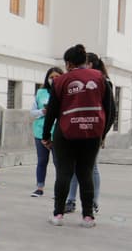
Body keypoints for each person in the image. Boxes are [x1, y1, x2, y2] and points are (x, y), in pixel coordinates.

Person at [42, 45, 108, 228]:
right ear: (85, 61)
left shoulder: (61, 81)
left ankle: (58, 215)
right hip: (92, 133)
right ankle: (88, 217)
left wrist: (46, 135)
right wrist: (103, 134)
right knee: (85, 173)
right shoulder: (100, 79)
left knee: (64, 173)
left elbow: (52, 112)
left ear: (69, 63)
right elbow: (110, 110)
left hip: (66, 133)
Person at [66, 52, 114, 214]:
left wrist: (103, 134)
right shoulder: (78, 81)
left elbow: (109, 111)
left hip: (93, 131)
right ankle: (70, 200)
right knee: (73, 167)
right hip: (76, 129)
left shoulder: (103, 82)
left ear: (91, 64)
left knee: (91, 167)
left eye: (84, 63)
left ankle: (93, 201)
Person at [30, 67, 62, 197]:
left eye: (57, 77)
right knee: (42, 160)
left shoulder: (65, 91)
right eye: (51, 77)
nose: (54, 79)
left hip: (58, 133)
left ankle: (59, 189)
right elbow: (32, 112)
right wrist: (42, 112)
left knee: (58, 162)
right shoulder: (40, 92)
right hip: (40, 132)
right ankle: (39, 187)